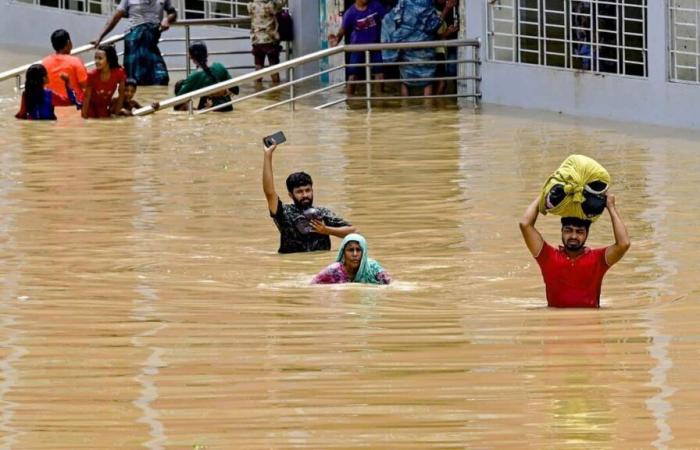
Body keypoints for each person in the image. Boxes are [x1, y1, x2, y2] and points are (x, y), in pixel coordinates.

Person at [519, 193, 631, 308]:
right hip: (556, 324)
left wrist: (611, 207)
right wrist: (543, 195)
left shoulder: (598, 259)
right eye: (568, 230)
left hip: (590, 325)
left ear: (587, 234)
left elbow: (624, 244)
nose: (573, 236)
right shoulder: (548, 256)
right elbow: (525, 224)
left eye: (579, 232)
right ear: (561, 231)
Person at [262, 139, 355, 253]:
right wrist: (268, 155)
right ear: (291, 195)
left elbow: (354, 232)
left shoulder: (322, 214)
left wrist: (327, 230)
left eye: (308, 190)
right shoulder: (284, 214)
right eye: (300, 192)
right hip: (292, 266)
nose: (305, 195)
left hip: (320, 266)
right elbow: (269, 193)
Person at [93, 0, 176, 85]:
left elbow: (173, 13)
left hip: (151, 41)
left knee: (162, 78)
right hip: (133, 40)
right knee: (133, 79)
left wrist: (167, 19)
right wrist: (100, 36)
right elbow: (115, 17)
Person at [381, 0, 443, 97]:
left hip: (406, 46)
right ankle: (429, 109)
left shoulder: (403, 3)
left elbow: (390, 19)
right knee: (427, 80)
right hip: (424, 48)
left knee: (405, 81)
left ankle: (405, 108)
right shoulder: (428, 3)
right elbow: (433, 25)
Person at [329, 0, 387, 96]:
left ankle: (379, 99)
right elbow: (342, 31)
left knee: (379, 72)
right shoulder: (350, 13)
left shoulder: (376, 5)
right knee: (353, 73)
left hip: (375, 45)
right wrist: (337, 39)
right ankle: (350, 98)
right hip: (357, 47)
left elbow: (387, 21)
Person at [174, 42, 235, 112]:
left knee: (179, 85)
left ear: (191, 57)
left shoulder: (194, 76)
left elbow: (176, 104)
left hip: (211, 111)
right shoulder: (219, 66)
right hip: (227, 107)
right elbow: (236, 89)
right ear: (207, 54)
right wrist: (223, 91)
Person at [312, 233, 391, 284]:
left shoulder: (373, 268)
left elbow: (390, 285)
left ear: (364, 253)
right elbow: (313, 285)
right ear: (343, 253)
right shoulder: (333, 271)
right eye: (350, 250)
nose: (355, 254)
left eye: (358, 250)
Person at [42, 29, 88, 104]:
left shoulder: (44, 62)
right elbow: (86, 85)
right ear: (68, 42)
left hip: (52, 104)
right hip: (73, 104)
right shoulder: (76, 61)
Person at [247, 0, 286, 85]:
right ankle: (276, 90)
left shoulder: (251, 6)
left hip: (256, 40)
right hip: (269, 40)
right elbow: (282, 3)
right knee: (273, 67)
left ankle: (257, 89)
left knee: (258, 67)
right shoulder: (271, 5)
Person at [82, 44, 126, 119]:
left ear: (109, 59)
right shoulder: (91, 75)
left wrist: (116, 114)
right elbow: (86, 98)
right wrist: (84, 119)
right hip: (90, 108)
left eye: (100, 58)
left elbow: (121, 95)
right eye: (95, 58)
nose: (96, 61)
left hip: (104, 107)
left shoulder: (119, 73)